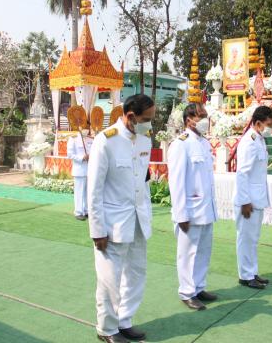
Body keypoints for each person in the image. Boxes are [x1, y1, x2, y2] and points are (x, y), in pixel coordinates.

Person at [87, 95, 155, 343]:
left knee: (136, 273)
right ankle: (106, 328)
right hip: (112, 224)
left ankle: (124, 320)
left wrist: (147, 215)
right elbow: (93, 189)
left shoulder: (145, 140)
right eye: (146, 120)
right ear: (130, 116)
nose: (150, 124)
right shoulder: (105, 141)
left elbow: (143, 182)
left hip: (137, 220)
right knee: (109, 279)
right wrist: (97, 229)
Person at [168, 103, 218, 311]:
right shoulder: (181, 144)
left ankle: (198, 287)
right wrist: (181, 214)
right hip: (189, 210)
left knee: (204, 251)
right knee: (188, 253)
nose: (206, 119)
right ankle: (187, 292)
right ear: (189, 120)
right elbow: (177, 182)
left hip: (206, 208)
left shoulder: (204, 143)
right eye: (201, 116)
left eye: (206, 115)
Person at [234, 106, 272, 290]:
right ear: (258, 124)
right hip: (248, 201)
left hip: (256, 198)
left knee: (253, 238)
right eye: (269, 124)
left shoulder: (259, 139)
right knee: (245, 238)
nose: (271, 128)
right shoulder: (249, 142)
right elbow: (242, 173)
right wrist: (244, 201)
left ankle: (252, 272)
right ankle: (245, 275)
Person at [67, 125, 93, 220]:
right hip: (79, 169)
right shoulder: (73, 139)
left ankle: (86, 211)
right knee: (79, 192)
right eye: (84, 127)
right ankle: (78, 212)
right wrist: (82, 158)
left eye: (87, 127)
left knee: (87, 192)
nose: (86, 129)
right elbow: (70, 155)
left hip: (89, 169)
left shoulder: (90, 139)